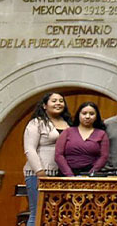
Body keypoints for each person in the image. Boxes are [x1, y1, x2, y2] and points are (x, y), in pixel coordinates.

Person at [23, 92, 70, 226]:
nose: (58, 103)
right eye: (54, 101)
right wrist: (40, 172)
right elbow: (30, 149)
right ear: (44, 105)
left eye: (61, 101)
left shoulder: (68, 123)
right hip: (39, 174)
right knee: (38, 213)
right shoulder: (36, 123)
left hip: (60, 175)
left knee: (55, 215)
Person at [55, 102, 110, 176]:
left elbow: (104, 157)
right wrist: (70, 176)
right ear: (78, 115)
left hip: (91, 175)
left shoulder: (102, 134)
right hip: (66, 174)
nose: (87, 116)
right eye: (84, 113)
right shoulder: (67, 132)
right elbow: (58, 155)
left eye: (91, 114)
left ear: (96, 116)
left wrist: (91, 174)